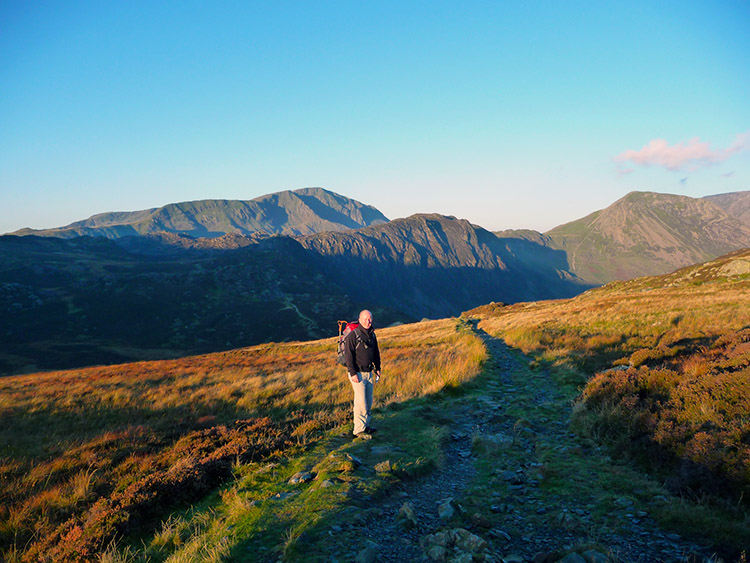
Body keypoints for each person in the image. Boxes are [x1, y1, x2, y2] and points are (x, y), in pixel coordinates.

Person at [343, 309, 382, 439]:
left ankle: (365, 426)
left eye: (369, 319)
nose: (367, 321)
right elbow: (348, 356)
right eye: (365, 319)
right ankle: (358, 430)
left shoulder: (372, 335)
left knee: (368, 401)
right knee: (361, 403)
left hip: (369, 372)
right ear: (359, 320)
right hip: (357, 374)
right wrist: (352, 372)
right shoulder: (353, 336)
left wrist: (378, 367)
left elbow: (376, 352)